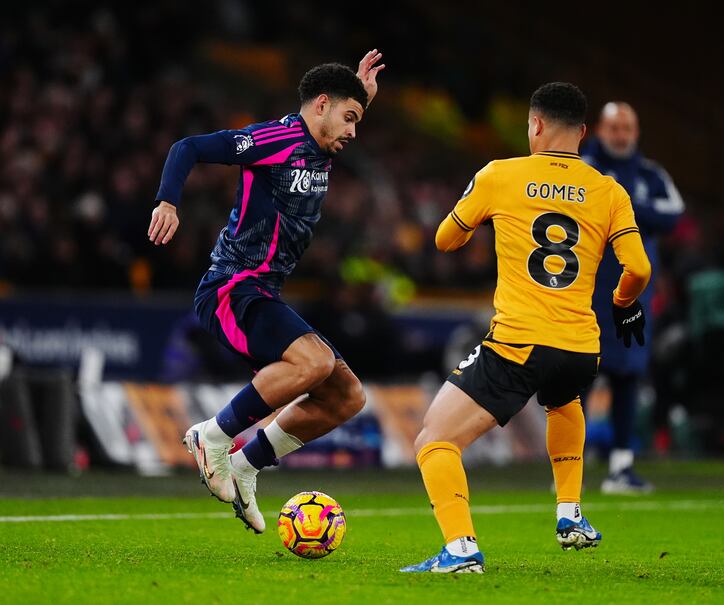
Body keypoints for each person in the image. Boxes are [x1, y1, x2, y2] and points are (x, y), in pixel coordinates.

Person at [400, 82, 651, 574]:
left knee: (433, 440)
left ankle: (461, 548)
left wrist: (482, 217)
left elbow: (445, 239)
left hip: (519, 340)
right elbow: (638, 268)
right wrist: (623, 301)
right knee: (563, 401)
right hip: (581, 346)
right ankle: (570, 514)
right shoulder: (609, 190)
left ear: (534, 124)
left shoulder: (500, 174)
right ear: (582, 132)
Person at [147, 51, 385, 533]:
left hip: (265, 291)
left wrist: (359, 98)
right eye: (349, 117)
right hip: (230, 286)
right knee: (314, 363)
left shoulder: (321, 143)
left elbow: (337, 119)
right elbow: (187, 147)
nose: (354, 131)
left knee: (346, 397)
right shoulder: (276, 138)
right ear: (320, 104)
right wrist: (168, 201)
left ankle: (245, 464)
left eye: (357, 120)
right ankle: (212, 437)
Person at [581, 102, 684, 493]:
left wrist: (619, 204)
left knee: (627, 377)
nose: (621, 135)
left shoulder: (649, 174)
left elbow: (674, 214)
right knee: (579, 377)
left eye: (627, 128)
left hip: (633, 297)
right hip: (587, 293)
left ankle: (621, 468)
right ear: (598, 130)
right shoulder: (583, 168)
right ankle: (569, 469)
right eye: (614, 128)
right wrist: (636, 212)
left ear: (636, 132)